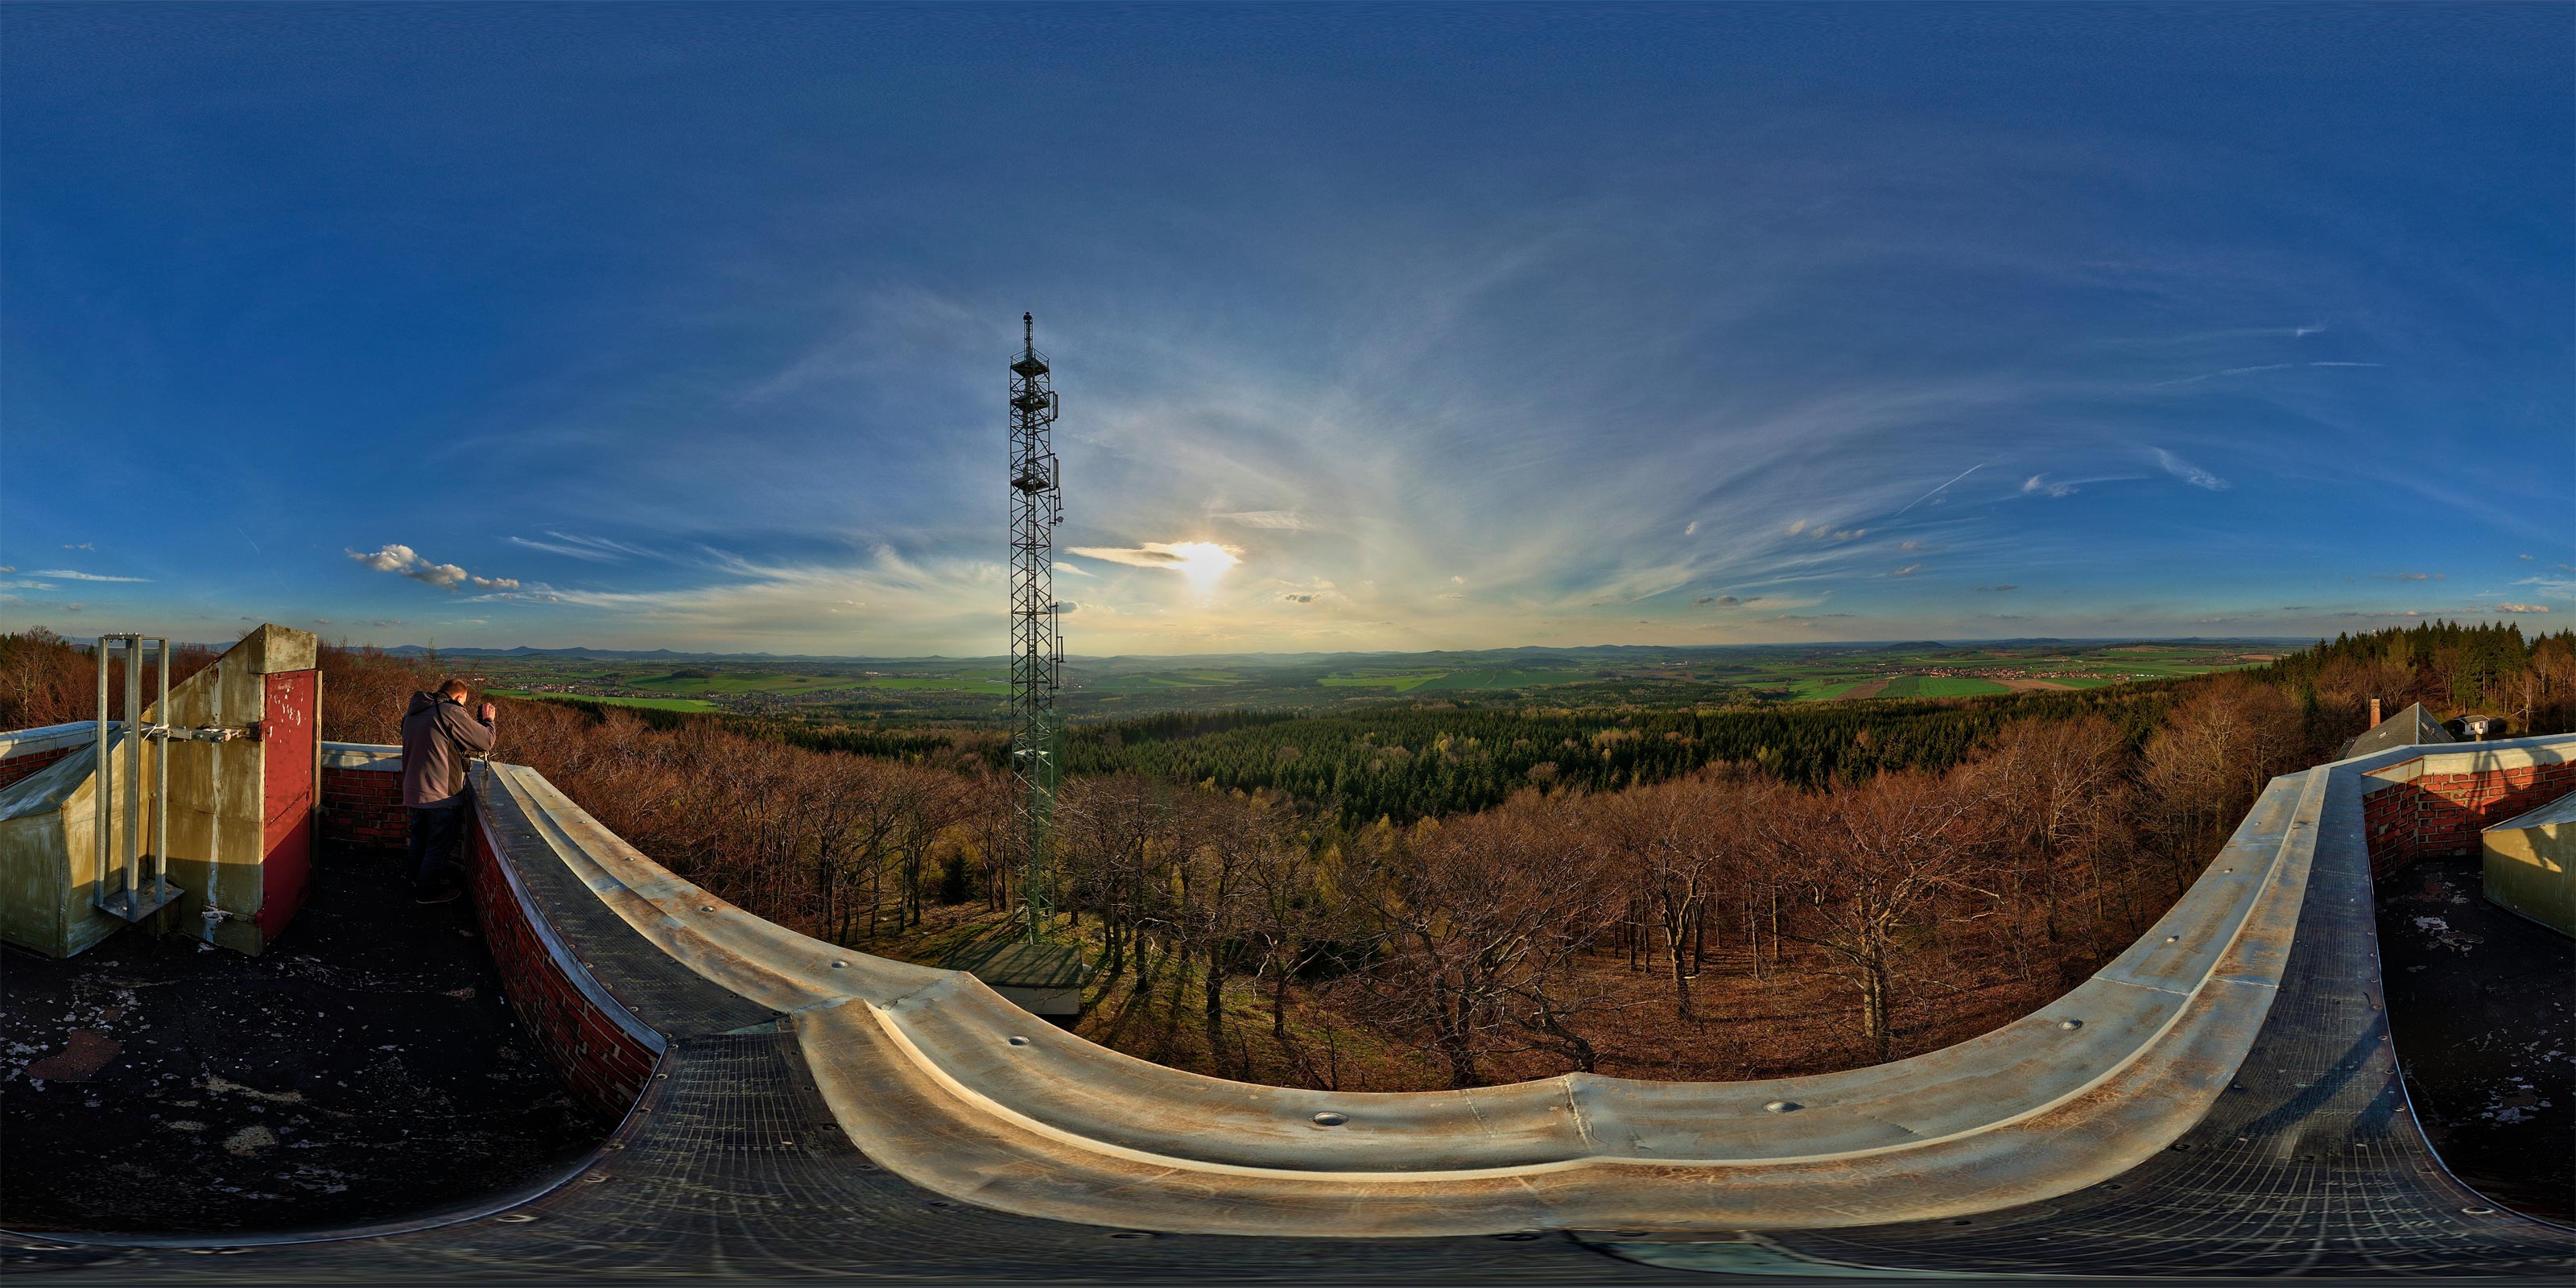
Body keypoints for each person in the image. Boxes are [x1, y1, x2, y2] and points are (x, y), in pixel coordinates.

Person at [401, 679, 496, 904]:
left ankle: (416, 881)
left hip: (414, 792)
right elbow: (485, 742)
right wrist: (488, 720)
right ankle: (426, 894)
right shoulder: (449, 711)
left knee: (419, 841)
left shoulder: (413, 712)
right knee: (437, 847)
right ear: (459, 697)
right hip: (441, 794)